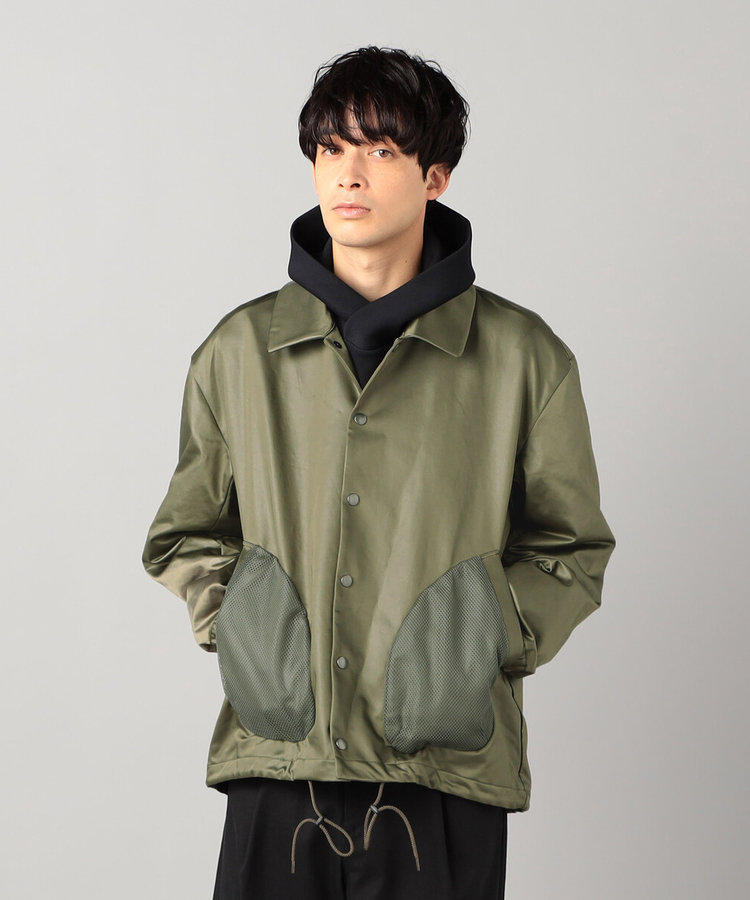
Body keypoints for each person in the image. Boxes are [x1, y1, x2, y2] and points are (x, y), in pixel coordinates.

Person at [142, 46, 616, 900]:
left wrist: (471, 642)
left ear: (436, 177)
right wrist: (252, 634)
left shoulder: (523, 359)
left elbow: (571, 549)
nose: (348, 175)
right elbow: (185, 534)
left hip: (443, 778)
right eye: (330, 149)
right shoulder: (238, 353)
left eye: (381, 150)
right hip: (280, 765)